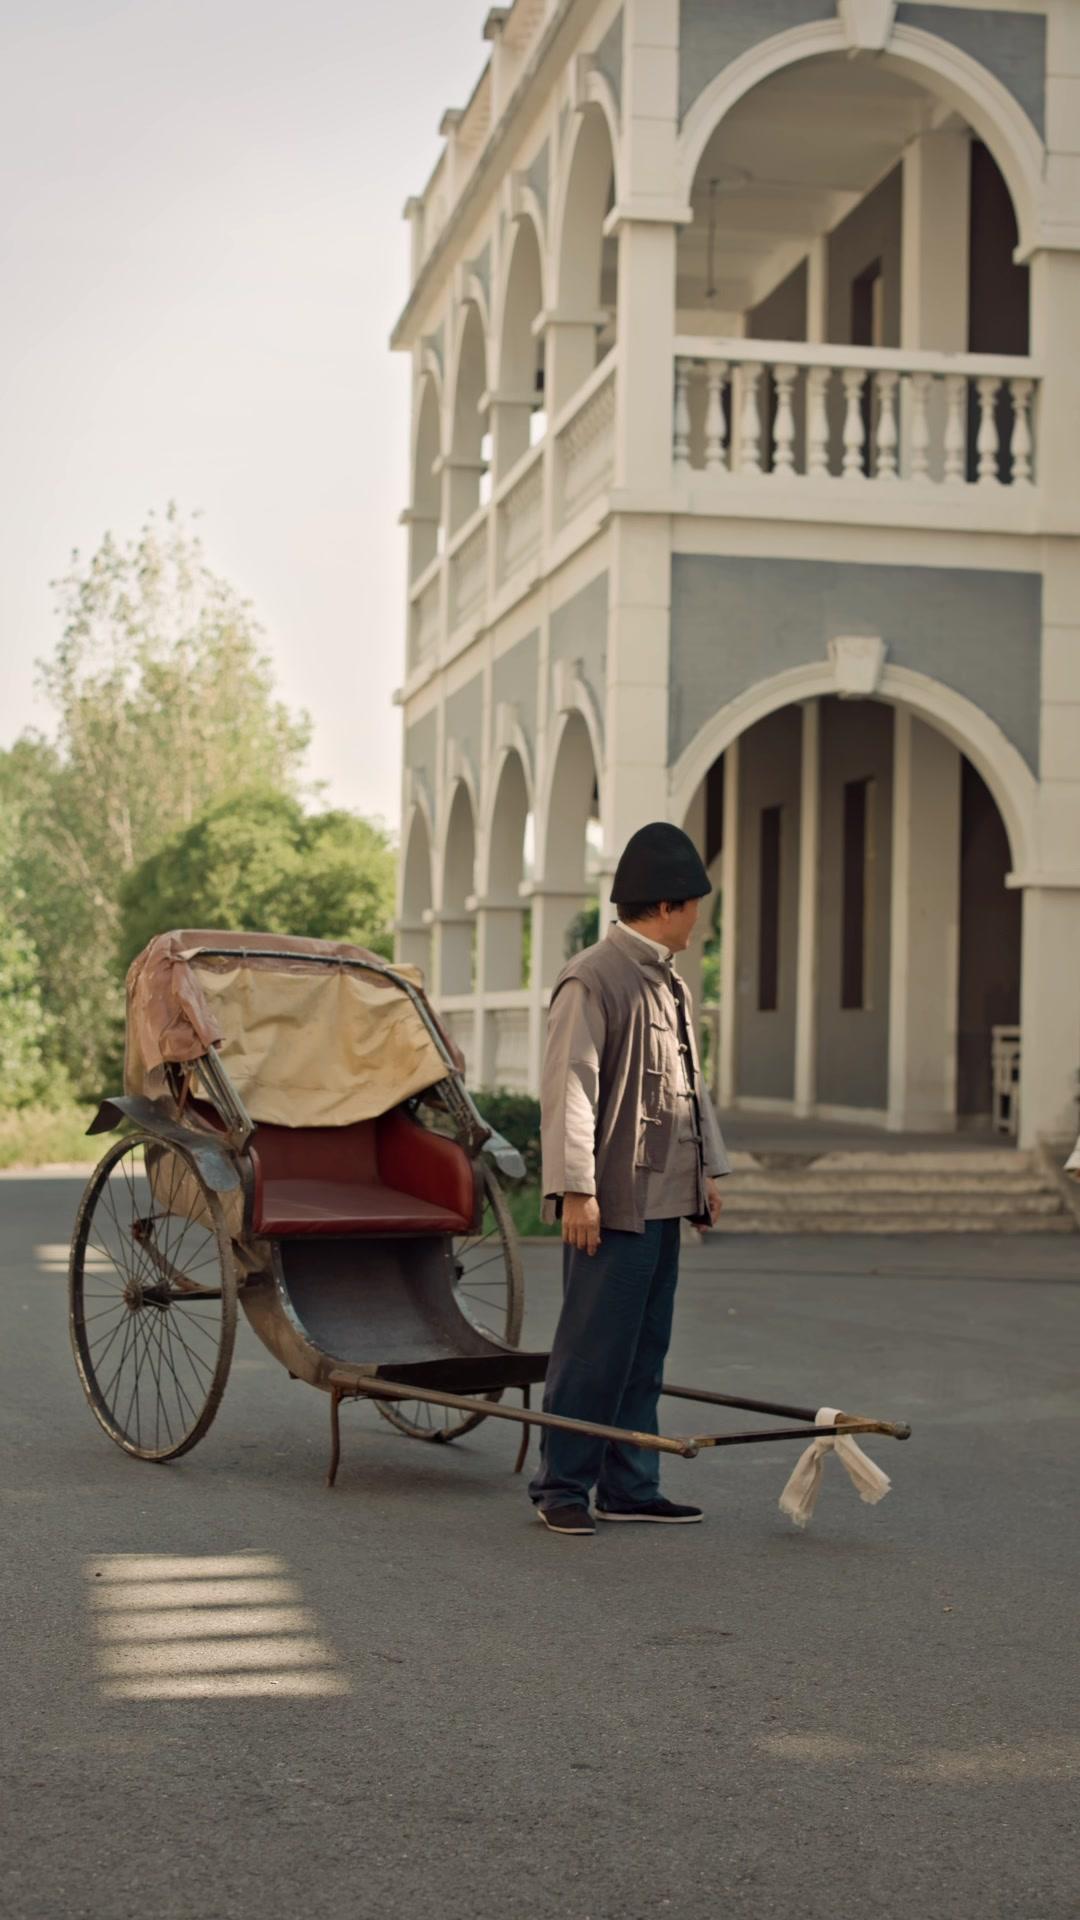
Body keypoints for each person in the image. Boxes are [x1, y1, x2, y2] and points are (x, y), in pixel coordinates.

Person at [530, 821, 730, 1536]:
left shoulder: (668, 979)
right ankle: (562, 1486)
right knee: (593, 1346)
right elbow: (571, 1089)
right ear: (671, 906)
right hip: (613, 1201)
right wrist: (577, 1189)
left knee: (646, 1346)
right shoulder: (595, 976)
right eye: (696, 906)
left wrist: (707, 1172)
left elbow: (689, 1087)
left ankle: (630, 1483)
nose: (700, 919)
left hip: (666, 1196)